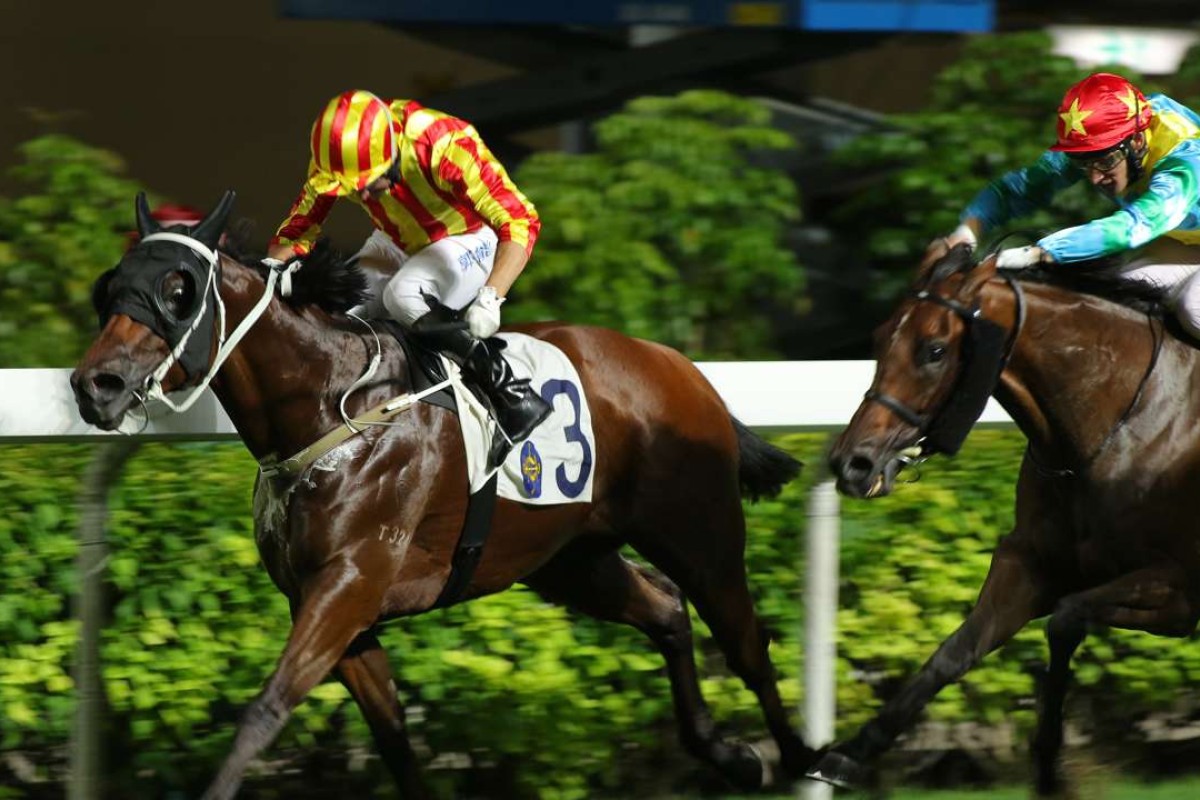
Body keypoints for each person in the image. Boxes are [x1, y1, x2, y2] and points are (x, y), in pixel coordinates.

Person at [267, 89, 551, 451]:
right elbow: (294, 234)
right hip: (396, 240)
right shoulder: (336, 162)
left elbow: (521, 219)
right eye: (351, 189)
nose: (362, 197)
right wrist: (272, 275)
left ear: (391, 156)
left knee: (402, 294)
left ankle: (509, 392)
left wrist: (491, 296)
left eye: (367, 185)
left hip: (468, 237)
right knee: (335, 309)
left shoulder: (443, 143)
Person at [939, 72, 1200, 338]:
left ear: (1137, 141)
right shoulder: (1103, 140)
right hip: (1186, 238)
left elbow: (1135, 226)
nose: (1095, 178)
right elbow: (1020, 188)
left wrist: (1040, 252)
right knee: (1120, 301)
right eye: (1084, 163)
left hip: (1168, 229)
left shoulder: (1185, 158)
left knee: (1193, 308)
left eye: (1105, 162)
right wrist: (968, 229)